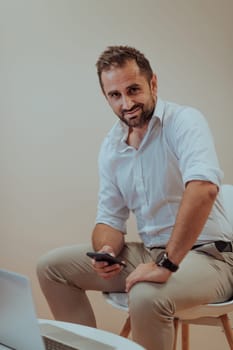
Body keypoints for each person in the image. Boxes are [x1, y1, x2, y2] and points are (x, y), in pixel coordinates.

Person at [37, 45, 233, 350]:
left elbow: (204, 189)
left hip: (210, 258)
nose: (126, 103)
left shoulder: (184, 122)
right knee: (52, 268)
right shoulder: (112, 147)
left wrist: (166, 263)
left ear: (153, 83)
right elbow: (109, 221)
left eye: (133, 90)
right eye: (115, 95)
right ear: (106, 97)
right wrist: (106, 249)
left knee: (145, 294)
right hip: (152, 253)